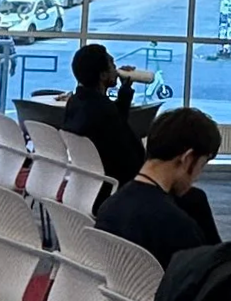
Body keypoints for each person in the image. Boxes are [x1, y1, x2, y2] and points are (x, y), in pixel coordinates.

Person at [95, 107, 222, 268]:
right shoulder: (180, 228)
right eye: (201, 165)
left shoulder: (108, 208)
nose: (197, 177)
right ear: (187, 158)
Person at [60, 41, 144, 189]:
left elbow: (115, 122)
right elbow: (132, 157)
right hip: (116, 185)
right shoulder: (104, 110)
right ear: (103, 75)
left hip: (89, 184)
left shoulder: (75, 102)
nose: (116, 70)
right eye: (112, 65)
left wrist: (125, 90)